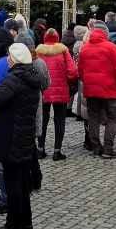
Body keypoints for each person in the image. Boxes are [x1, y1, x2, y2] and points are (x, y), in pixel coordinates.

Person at [0, 42, 46, 229]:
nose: (8, 60)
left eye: (10, 57)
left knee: (13, 180)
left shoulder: (13, 80)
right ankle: (25, 219)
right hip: (25, 133)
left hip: (11, 134)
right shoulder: (31, 76)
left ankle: (13, 225)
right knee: (22, 179)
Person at [77, 25, 116, 159]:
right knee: (113, 118)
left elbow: (80, 70)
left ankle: (96, 147)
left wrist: (87, 83)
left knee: (93, 118)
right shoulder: (111, 48)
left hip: (91, 89)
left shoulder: (85, 48)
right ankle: (108, 148)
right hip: (110, 89)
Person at [36, 28, 77, 160]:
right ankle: (56, 151)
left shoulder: (38, 52)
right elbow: (72, 71)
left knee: (43, 119)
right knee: (59, 120)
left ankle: (40, 149)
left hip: (43, 90)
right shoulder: (63, 51)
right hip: (60, 91)